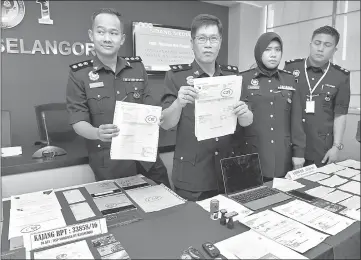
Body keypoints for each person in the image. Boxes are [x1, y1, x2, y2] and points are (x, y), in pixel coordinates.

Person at [66, 8, 170, 187]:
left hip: (146, 158)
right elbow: (78, 121)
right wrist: (97, 133)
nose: (107, 38)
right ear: (91, 35)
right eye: (101, 32)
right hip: (110, 163)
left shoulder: (137, 68)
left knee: (167, 207)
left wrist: (158, 115)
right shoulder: (79, 74)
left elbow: (150, 106)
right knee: (124, 213)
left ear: (121, 39)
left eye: (113, 33)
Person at [160, 14, 253, 201]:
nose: (208, 44)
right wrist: (179, 103)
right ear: (192, 42)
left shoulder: (232, 77)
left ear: (220, 42)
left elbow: (247, 120)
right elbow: (165, 123)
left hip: (229, 171)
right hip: (193, 175)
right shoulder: (176, 76)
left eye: (213, 39)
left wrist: (245, 113)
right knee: (193, 228)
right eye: (202, 39)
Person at [238, 32, 306, 181]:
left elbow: (296, 120)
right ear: (259, 51)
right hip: (251, 153)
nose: (273, 54)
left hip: (282, 155)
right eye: (268, 49)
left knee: (283, 200)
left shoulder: (290, 80)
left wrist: (299, 153)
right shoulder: (243, 79)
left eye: (277, 49)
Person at [284, 26, 350, 166]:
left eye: (327, 45)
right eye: (317, 43)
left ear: (334, 50)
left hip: (321, 147)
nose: (320, 49)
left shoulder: (340, 76)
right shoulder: (291, 69)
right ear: (310, 44)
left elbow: (340, 114)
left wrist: (336, 147)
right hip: (289, 145)